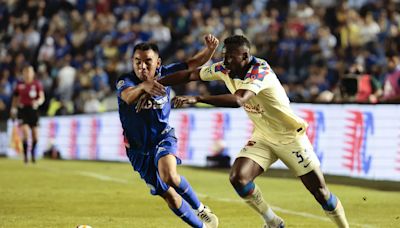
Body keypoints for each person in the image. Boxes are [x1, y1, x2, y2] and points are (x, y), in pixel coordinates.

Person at [157, 35, 349, 228]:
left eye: (231, 57)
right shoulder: (224, 68)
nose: (226, 61)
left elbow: (239, 100)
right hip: (263, 136)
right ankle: (272, 221)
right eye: (224, 56)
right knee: (238, 179)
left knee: (321, 193)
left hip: (290, 137)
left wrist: (197, 98)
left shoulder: (260, 71)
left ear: (245, 55)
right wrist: (157, 84)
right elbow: (191, 74)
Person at [116, 34, 219, 228]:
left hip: (163, 137)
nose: (142, 67)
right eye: (138, 62)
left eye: (148, 62)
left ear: (158, 62)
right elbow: (128, 97)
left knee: (169, 175)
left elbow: (192, 64)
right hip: (137, 150)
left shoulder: (166, 74)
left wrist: (210, 50)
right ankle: (203, 227)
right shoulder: (125, 80)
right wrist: (144, 86)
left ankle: (201, 209)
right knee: (169, 196)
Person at [10, 65, 45, 164]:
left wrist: (38, 102)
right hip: (23, 110)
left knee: (35, 136)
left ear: (33, 74)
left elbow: (42, 97)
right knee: (25, 133)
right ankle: (25, 156)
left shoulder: (37, 85)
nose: (28, 74)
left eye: (30, 72)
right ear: (23, 74)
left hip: (33, 110)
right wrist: (13, 109)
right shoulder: (19, 86)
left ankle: (33, 153)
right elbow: (15, 99)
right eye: (26, 72)